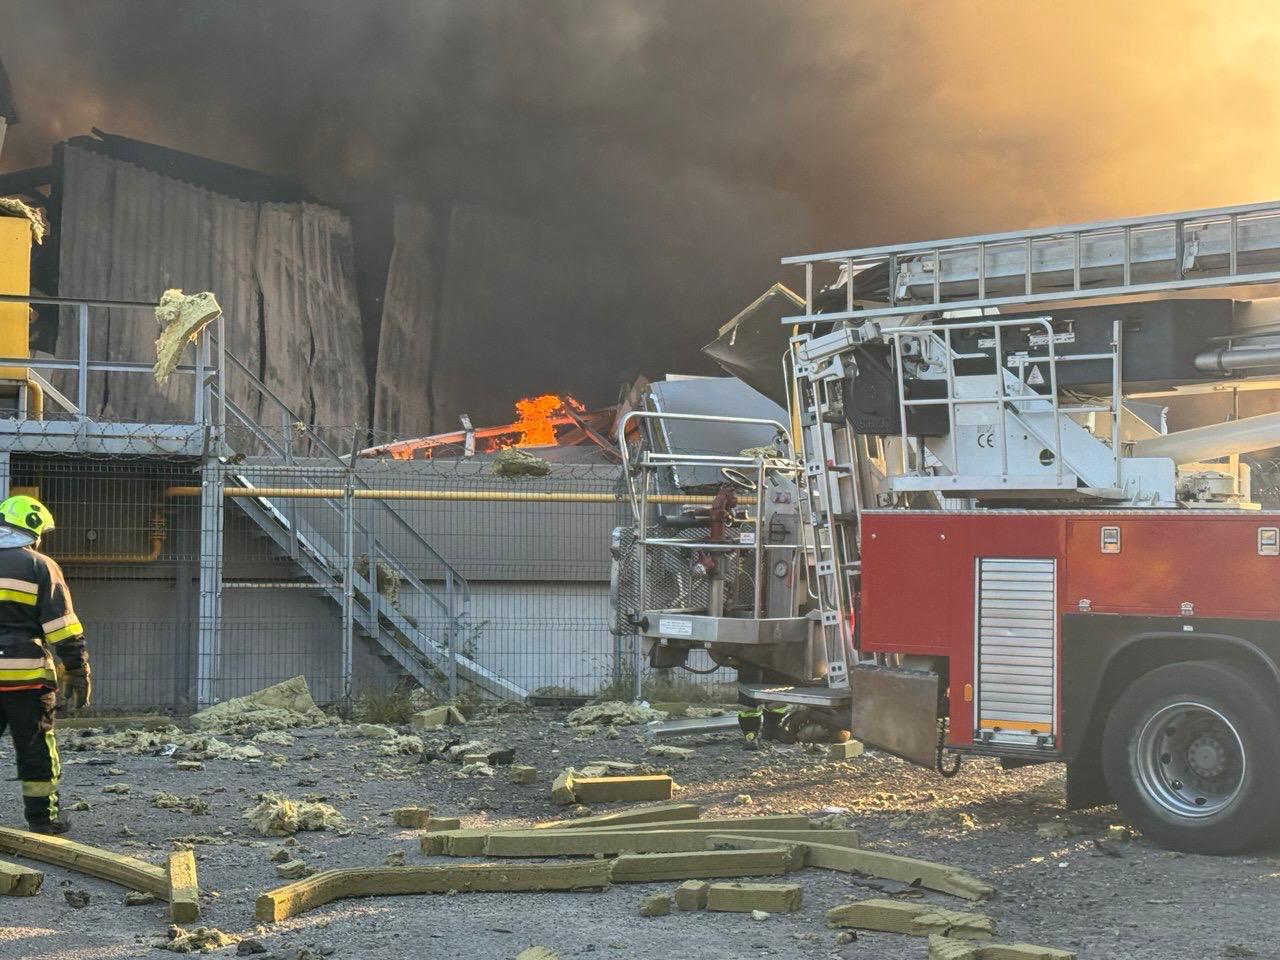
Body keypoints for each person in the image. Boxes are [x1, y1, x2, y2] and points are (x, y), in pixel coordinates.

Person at [0, 495, 89, 834]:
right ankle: (43, 820)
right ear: (33, 530)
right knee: (35, 746)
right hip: (27, 679)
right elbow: (63, 628)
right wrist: (78, 671)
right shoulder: (40, 565)